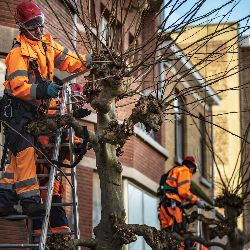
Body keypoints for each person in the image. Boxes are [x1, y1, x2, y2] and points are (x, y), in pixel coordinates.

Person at [0, 0, 92, 217]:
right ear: (23, 27)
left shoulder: (47, 45)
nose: (39, 29)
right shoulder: (17, 54)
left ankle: (4, 200)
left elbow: (70, 60)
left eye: (40, 24)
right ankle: (30, 201)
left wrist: (87, 61)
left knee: (18, 157)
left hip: (34, 110)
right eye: (33, 25)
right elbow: (19, 87)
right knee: (24, 152)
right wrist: (43, 90)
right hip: (17, 111)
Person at [158, 156, 206, 232]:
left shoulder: (175, 169)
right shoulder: (185, 171)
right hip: (173, 204)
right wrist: (196, 200)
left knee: (167, 233)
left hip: (164, 204)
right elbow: (183, 192)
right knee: (181, 231)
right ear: (192, 167)